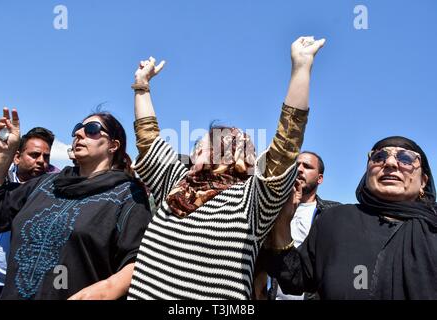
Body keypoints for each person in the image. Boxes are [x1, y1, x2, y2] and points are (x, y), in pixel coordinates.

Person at [127, 36, 326, 299]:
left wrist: (301, 68)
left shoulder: (251, 201)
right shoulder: (175, 182)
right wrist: (142, 87)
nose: (201, 146)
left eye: (216, 141)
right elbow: (148, 137)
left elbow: (285, 146)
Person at [0, 108, 152, 300]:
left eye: (91, 129)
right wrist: (3, 153)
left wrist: (104, 291)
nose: (79, 133)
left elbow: (138, 261)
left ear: (113, 145)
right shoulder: (45, 183)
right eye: (77, 129)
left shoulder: (128, 196)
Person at [263, 136, 437, 299]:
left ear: (423, 181)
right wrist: (282, 223)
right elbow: (294, 278)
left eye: (405, 158)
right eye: (379, 157)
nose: (390, 163)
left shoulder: (432, 230)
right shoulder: (334, 220)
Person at [256, 151, 340, 300]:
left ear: (320, 179)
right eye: (296, 165)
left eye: (307, 166)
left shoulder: (332, 213)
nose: (299, 169)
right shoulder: (272, 209)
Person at [0, 126, 58, 300]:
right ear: (17, 157)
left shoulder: (48, 194)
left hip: (10, 285)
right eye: (34, 155)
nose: (41, 161)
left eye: (46, 157)